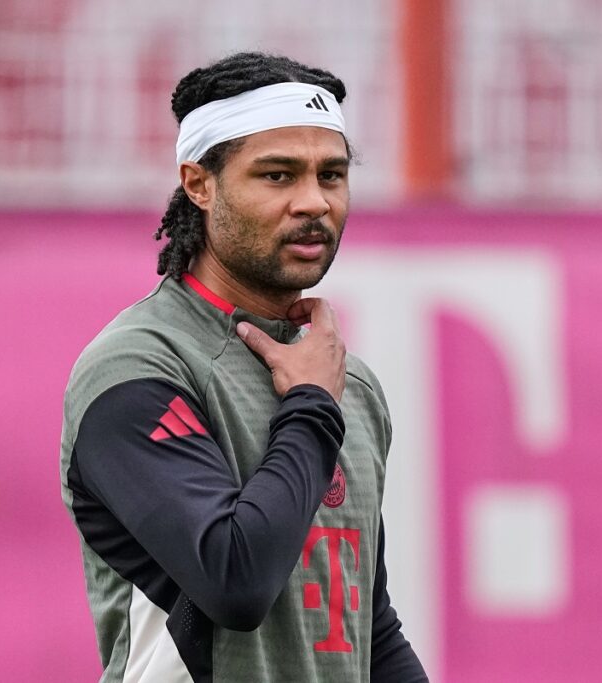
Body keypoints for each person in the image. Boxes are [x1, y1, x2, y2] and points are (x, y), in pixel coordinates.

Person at [60, 52, 427, 682]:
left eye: (331, 175)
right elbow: (235, 580)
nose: (314, 202)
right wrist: (311, 405)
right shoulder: (139, 365)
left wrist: (318, 397)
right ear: (199, 184)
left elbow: (369, 629)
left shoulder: (348, 385)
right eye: (278, 175)